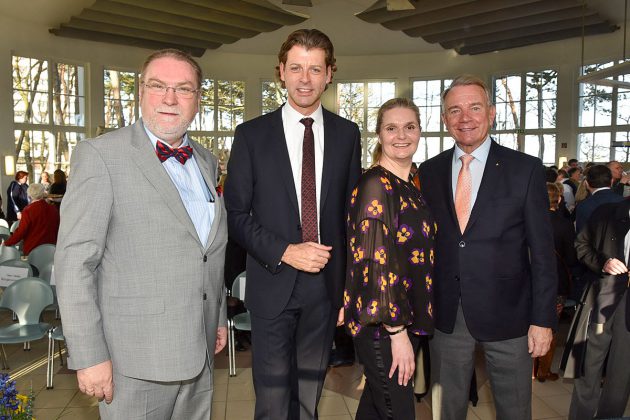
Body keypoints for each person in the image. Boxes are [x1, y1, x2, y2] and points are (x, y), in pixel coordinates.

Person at [54, 49, 227, 420]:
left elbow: (205, 250)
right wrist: (89, 355)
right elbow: (74, 265)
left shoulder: (205, 160)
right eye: (158, 86)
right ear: (140, 92)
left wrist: (215, 317)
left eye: (183, 89)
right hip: (132, 363)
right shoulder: (101, 156)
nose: (169, 98)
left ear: (197, 99)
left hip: (198, 353)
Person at [224, 29, 361, 420]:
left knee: (307, 398)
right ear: (280, 72)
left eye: (315, 69)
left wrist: (348, 289)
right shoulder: (251, 135)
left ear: (329, 74)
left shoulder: (347, 135)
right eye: (296, 68)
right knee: (271, 402)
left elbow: (351, 221)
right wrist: (286, 251)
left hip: (324, 290)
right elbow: (235, 216)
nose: (305, 78)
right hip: (271, 283)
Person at [418, 75, 557, 420]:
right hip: (448, 317)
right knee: (446, 410)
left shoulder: (524, 170)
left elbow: (542, 254)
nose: (465, 117)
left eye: (475, 107)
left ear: (492, 113)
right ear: (445, 119)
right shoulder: (429, 171)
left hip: (511, 318)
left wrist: (542, 320)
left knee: (514, 409)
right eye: (455, 110)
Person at [344, 98, 434, 419]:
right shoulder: (375, 184)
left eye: (409, 127)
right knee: (398, 412)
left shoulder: (409, 185)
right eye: (391, 128)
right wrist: (397, 334)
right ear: (379, 134)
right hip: (384, 326)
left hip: (403, 319)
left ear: (420, 132)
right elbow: (374, 264)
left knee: (375, 407)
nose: (401, 135)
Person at [569, 199, 630, 420]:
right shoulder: (607, 212)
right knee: (587, 366)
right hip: (602, 298)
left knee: (622, 374)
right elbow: (581, 245)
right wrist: (602, 263)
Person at [534, 183, 577, 382]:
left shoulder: (530, 220)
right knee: (549, 325)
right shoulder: (563, 224)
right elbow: (571, 258)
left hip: (530, 280)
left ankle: (530, 369)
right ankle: (543, 370)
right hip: (557, 282)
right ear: (558, 199)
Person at [4, 183, 59, 255]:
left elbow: (21, 232)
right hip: (51, 248)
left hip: (32, 250)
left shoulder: (28, 211)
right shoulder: (53, 209)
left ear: (29, 195)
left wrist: (6, 243)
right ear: (43, 194)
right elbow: (57, 229)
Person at [574, 164, 624, 234]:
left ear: (586, 184)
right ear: (612, 181)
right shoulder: (624, 202)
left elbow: (582, 237)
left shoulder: (583, 205)